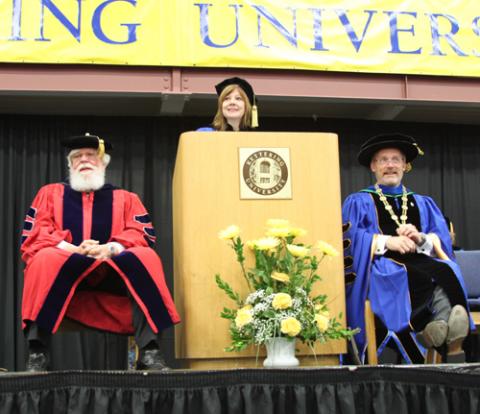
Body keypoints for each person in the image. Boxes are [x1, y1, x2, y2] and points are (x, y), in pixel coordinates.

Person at [20, 133, 180, 372]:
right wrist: (74, 249)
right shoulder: (50, 194)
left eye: (91, 155)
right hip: (66, 272)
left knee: (146, 257)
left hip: (112, 273)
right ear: (70, 164)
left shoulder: (126, 198)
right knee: (43, 258)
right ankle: (38, 353)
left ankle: (150, 351)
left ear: (103, 162)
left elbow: (142, 234)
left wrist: (110, 248)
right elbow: (36, 235)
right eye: (77, 156)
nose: (84, 159)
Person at [342, 133, 472, 363]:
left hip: (420, 259)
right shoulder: (358, 201)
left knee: (447, 270)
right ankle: (438, 335)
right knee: (404, 273)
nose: (390, 165)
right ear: (373, 166)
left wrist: (421, 239)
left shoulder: (423, 202)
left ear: (405, 165)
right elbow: (350, 238)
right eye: (383, 160)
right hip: (379, 264)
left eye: (396, 159)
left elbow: (441, 239)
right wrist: (384, 241)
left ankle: (440, 328)